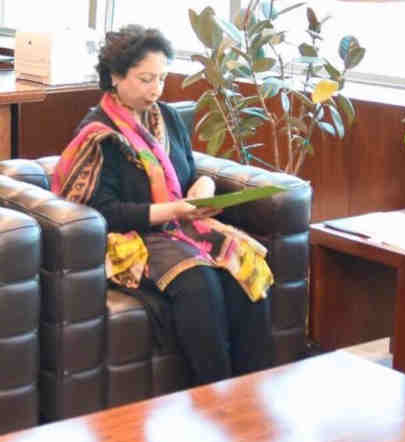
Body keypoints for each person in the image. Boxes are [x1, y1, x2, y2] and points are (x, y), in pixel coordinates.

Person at [52, 25, 275, 385]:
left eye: (161, 78)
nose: (155, 89)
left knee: (242, 266)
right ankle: (214, 394)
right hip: (131, 236)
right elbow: (103, 213)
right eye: (145, 79)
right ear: (115, 77)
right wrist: (173, 212)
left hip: (180, 227)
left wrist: (205, 185)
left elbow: (189, 171)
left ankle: (253, 391)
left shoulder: (167, 118)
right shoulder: (98, 136)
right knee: (199, 281)